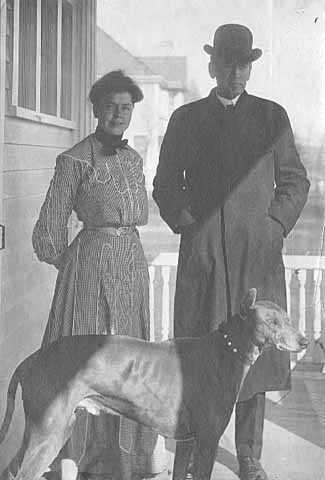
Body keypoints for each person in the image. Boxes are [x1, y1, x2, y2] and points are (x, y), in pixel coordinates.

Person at [152, 24, 310, 480]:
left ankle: (249, 454)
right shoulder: (186, 119)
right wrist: (189, 226)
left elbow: (296, 183)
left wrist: (273, 226)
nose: (236, 73)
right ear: (212, 65)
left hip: (254, 260)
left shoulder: (272, 117)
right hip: (203, 263)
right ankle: (190, 451)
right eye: (227, 64)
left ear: (250, 67)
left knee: (253, 356)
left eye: (244, 65)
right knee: (198, 354)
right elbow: (165, 185)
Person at [33, 70, 161, 480]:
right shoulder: (74, 160)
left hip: (131, 271)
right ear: (96, 109)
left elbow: (139, 211)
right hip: (89, 271)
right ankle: (73, 460)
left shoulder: (134, 159)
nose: (119, 115)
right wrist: (75, 264)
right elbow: (48, 233)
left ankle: (125, 463)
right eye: (111, 106)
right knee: (85, 364)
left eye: (126, 108)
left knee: (128, 363)